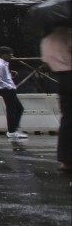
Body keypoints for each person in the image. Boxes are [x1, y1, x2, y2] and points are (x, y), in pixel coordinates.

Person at [40, 24, 71, 172]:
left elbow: (46, 61)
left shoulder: (47, 40)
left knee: (67, 119)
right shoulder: (67, 36)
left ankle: (66, 160)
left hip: (61, 78)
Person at [0, 46, 26, 140]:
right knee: (12, 109)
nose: (11, 56)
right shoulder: (0, 65)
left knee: (18, 108)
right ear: (3, 55)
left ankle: (14, 129)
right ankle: (12, 131)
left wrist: (11, 74)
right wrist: (9, 86)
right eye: (9, 54)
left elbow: (3, 76)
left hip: (8, 88)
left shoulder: (3, 63)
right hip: (6, 89)